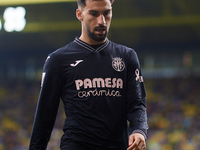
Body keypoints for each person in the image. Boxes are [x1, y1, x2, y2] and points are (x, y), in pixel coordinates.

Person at [29, 0, 148, 149]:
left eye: (106, 13)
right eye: (94, 14)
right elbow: (44, 116)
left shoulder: (127, 56)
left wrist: (139, 130)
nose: (102, 21)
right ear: (80, 14)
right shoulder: (58, 59)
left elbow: (137, 104)